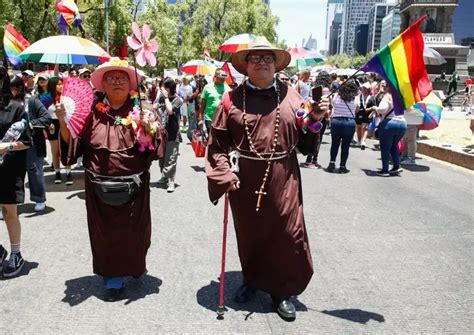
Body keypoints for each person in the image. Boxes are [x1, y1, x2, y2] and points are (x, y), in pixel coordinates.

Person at [205, 39, 329, 320]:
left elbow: (306, 140)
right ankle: (252, 279)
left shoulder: (293, 96)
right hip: (245, 180)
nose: (262, 62)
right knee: (251, 235)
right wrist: (224, 173)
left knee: (286, 234)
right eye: (256, 58)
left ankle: (282, 291)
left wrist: (316, 119)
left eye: (268, 58)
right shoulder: (231, 100)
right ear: (246, 66)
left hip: (284, 177)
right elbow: (217, 144)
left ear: (275, 65)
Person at [56, 58, 166, 299]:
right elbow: (72, 144)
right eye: (111, 78)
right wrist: (63, 122)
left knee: (134, 234)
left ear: (131, 84)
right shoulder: (90, 114)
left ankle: (134, 266)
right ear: (103, 85)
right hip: (98, 191)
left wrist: (151, 130)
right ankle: (112, 279)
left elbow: (158, 147)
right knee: (105, 236)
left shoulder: (144, 111)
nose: (117, 82)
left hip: (135, 189)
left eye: (122, 78)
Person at [0, 66, 32, 278]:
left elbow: (26, 142)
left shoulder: (16, 109)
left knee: (8, 211)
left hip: (8, 168)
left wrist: (6, 147)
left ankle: (16, 253)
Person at [12, 76, 51, 212]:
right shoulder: (4, 102)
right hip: (11, 143)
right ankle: (11, 201)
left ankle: (39, 198)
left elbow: (46, 118)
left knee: (34, 171)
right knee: (11, 173)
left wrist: (30, 124)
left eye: (14, 88)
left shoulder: (32, 100)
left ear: (20, 88)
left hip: (32, 142)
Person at [154, 77, 183, 193]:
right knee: (161, 157)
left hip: (172, 133)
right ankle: (164, 176)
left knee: (171, 158)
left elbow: (170, 111)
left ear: (170, 88)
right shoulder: (160, 98)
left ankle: (171, 180)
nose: (162, 91)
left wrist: (166, 98)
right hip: (161, 133)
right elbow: (154, 108)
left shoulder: (178, 100)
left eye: (164, 88)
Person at [368, 89, 407, 176]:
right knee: (394, 145)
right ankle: (396, 166)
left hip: (390, 123)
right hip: (402, 124)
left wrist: (375, 108)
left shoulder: (388, 96)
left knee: (385, 148)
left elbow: (383, 109)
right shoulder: (402, 97)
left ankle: (385, 170)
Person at [326, 79, 359, 173]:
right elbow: (357, 110)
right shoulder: (355, 98)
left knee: (334, 144)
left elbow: (332, 105)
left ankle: (331, 163)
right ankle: (342, 166)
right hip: (349, 122)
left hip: (336, 121)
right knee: (345, 145)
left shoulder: (336, 96)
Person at [46, 77, 73, 185]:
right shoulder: (47, 98)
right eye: (58, 84)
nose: (60, 86)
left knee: (66, 148)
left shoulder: (68, 97)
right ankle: (57, 172)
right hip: (53, 124)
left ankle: (68, 172)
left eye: (62, 84)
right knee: (55, 150)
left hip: (65, 123)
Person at [198, 68, 230, 135]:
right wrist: (200, 119)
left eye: (224, 78)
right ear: (215, 77)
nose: (223, 79)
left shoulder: (227, 88)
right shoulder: (207, 87)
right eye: (221, 77)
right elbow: (202, 105)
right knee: (211, 139)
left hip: (223, 119)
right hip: (210, 119)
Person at [355, 82, 375, 150]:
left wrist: (369, 109)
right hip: (359, 113)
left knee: (365, 127)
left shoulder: (372, 98)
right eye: (363, 88)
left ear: (368, 89)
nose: (363, 89)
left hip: (367, 114)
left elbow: (374, 106)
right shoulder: (359, 96)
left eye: (365, 88)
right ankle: (359, 140)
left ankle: (363, 142)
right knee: (359, 127)